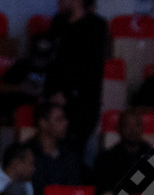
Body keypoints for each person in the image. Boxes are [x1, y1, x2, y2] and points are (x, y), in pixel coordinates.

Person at [43, 0, 107, 152]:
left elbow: (92, 69)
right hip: (55, 100)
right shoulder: (58, 22)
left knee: (73, 152)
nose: (59, 1)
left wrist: (68, 94)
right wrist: (50, 93)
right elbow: (52, 63)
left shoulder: (96, 25)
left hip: (82, 104)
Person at [92, 109, 152, 194]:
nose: (133, 129)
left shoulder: (153, 155)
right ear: (119, 128)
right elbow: (104, 189)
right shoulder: (106, 159)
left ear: (143, 127)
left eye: (137, 124)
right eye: (127, 125)